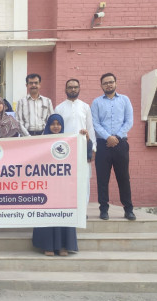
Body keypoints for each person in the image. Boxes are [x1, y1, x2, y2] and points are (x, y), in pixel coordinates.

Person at [32, 113, 78, 256]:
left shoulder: (69, 141)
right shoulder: (42, 142)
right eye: (53, 124)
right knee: (47, 213)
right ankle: (48, 245)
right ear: (48, 125)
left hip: (63, 185)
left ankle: (63, 245)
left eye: (59, 124)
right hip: (46, 185)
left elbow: (81, 152)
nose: (56, 127)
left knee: (62, 212)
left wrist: (85, 138)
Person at [91, 73, 135, 221]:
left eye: (111, 82)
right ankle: (104, 209)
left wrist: (116, 137)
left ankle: (128, 209)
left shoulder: (125, 100)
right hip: (103, 145)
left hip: (120, 143)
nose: (108, 85)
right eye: (105, 83)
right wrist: (107, 137)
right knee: (102, 179)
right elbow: (95, 123)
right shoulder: (96, 102)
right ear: (101, 86)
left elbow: (129, 121)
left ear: (116, 83)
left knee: (123, 178)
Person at [55, 79, 96, 207]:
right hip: (65, 151)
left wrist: (93, 149)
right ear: (65, 90)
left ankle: (82, 209)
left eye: (75, 87)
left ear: (79, 89)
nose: (73, 89)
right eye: (70, 87)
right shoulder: (59, 108)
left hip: (82, 149)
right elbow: (56, 130)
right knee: (66, 180)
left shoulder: (85, 107)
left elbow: (90, 128)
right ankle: (67, 207)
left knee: (83, 180)